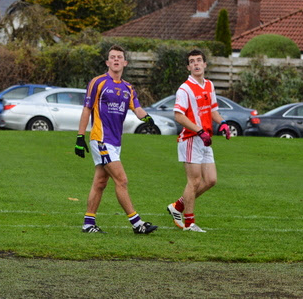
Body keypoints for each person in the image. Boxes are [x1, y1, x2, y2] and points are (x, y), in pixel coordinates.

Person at [74, 45, 158, 235]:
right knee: (121, 179)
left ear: (125, 63)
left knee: (100, 182)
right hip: (101, 139)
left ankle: (88, 223)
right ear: (107, 62)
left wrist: (148, 118)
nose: (116, 60)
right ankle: (138, 224)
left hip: (116, 143)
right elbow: (87, 109)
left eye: (119, 57)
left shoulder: (128, 87)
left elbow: (137, 108)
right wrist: (80, 137)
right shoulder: (98, 82)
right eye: (112, 57)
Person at [166, 49, 231, 233]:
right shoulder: (185, 88)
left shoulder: (209, 85)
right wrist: (199, 130)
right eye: (192, 61)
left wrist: (223, 123)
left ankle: (177, 206)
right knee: (194, 181)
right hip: (190, 139)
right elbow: (178, 116)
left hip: (205, 139)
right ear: (188, 67)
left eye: (199, 60)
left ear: (204, 64)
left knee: (210, 180)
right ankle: (189, 223)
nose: (196, 64)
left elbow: (213, 110)